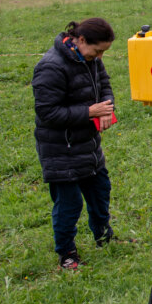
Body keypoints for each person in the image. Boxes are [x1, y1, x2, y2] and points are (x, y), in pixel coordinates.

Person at [32, 18, 116, 271]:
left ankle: (104, 236)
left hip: (88, 144)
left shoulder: (91, 60)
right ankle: (66, 253)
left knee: (100, 192)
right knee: (69, 204)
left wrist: (105, 108)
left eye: (103, 52)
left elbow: (105, 85)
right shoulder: (50, 67)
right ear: (81, 40)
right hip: (60, 148)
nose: (100, 56)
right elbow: (47, 113)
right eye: (97, 50)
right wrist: (89, 111)